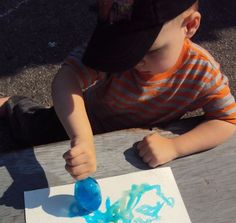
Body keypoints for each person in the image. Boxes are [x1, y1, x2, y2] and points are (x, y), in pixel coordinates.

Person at [1, 0, 236, 181]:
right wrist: (82, 137)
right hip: (83, 120)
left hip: (130, 145)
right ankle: (8, 104)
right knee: (32, 125)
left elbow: (228, 120)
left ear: (190, 26)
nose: (132, 60)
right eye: (121, 48)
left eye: (147, 50)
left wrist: (175, 147)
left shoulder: (202, 72)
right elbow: (66, 79)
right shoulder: (119, 37)